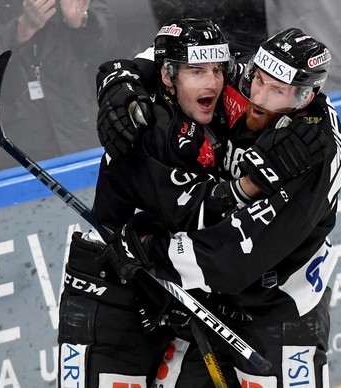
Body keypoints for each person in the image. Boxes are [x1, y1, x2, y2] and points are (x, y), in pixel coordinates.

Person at [58, 18, 322, 388]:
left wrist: (313, 115)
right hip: (112, 294)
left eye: (217, 70)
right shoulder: (149, 128)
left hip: (172, 297)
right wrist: (249, 184)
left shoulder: (212, 108)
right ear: (168, 77)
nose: (213, 81)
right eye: (197, 71)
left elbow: (270, 76)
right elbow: (197, 211)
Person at [0, 0, 114, 180]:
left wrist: (82, 21)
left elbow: (107, 44)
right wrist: (22, 28)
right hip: (6, 156)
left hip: (80, 138)